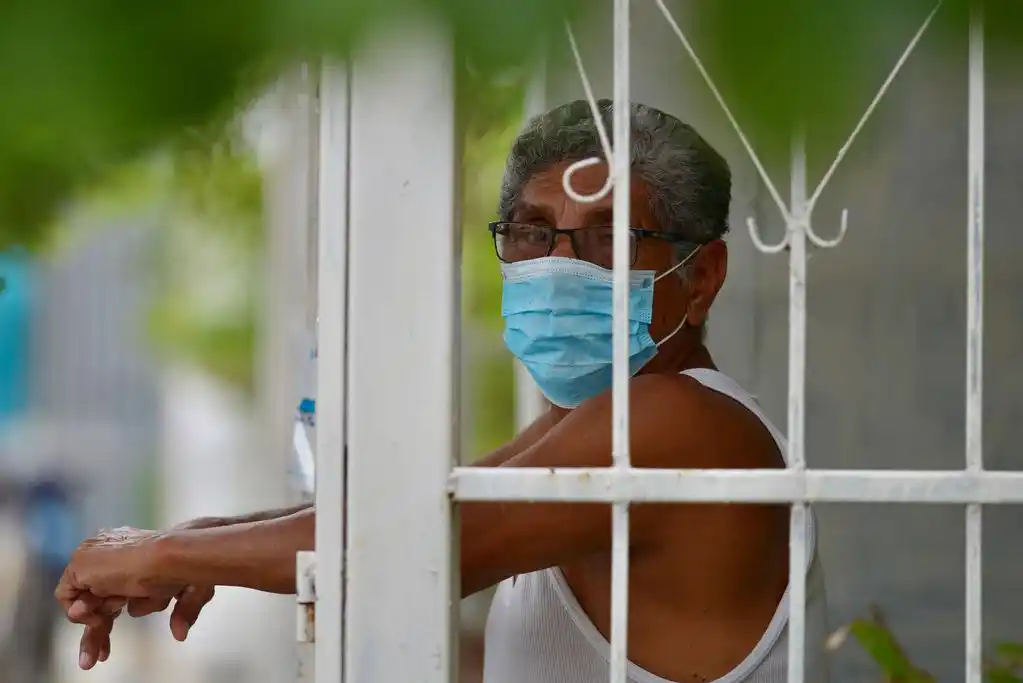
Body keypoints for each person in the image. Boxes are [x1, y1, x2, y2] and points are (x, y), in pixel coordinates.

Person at [55, 100, 829, 683]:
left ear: (702, 277)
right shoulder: (582, 427)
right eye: (532, 232)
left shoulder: (680, 422)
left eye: (608, 237)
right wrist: (214, 537)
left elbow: (410, 550)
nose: (561, 264)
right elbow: (422, 514)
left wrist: (163, 553)